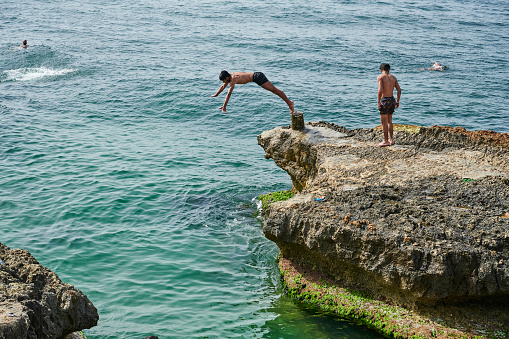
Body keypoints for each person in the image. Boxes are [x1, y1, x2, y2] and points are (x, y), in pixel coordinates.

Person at [211, 71, 294, 114]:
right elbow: (223, 87)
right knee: (274, 90)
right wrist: (217, 94)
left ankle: (290, 103)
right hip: (257, 76)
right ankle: (289, 103)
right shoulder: (230, 76)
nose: (224, 82)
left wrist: (224, 106)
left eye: (224, 80)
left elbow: (229, 94)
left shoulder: (233, 79)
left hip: (258, 77)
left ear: (227, 77)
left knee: (275, 90)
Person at [377, 63, 401, 147]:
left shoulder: (380, 77)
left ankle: (385, 141)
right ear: (389, 69)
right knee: (389, 121)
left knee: (384, 122)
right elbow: (399, 90)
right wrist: (397, 101)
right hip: (392, 100)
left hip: (384, 100)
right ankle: (391, 140)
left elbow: (380, 90)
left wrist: (378, 102)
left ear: (381, 70)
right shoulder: (393, 78)